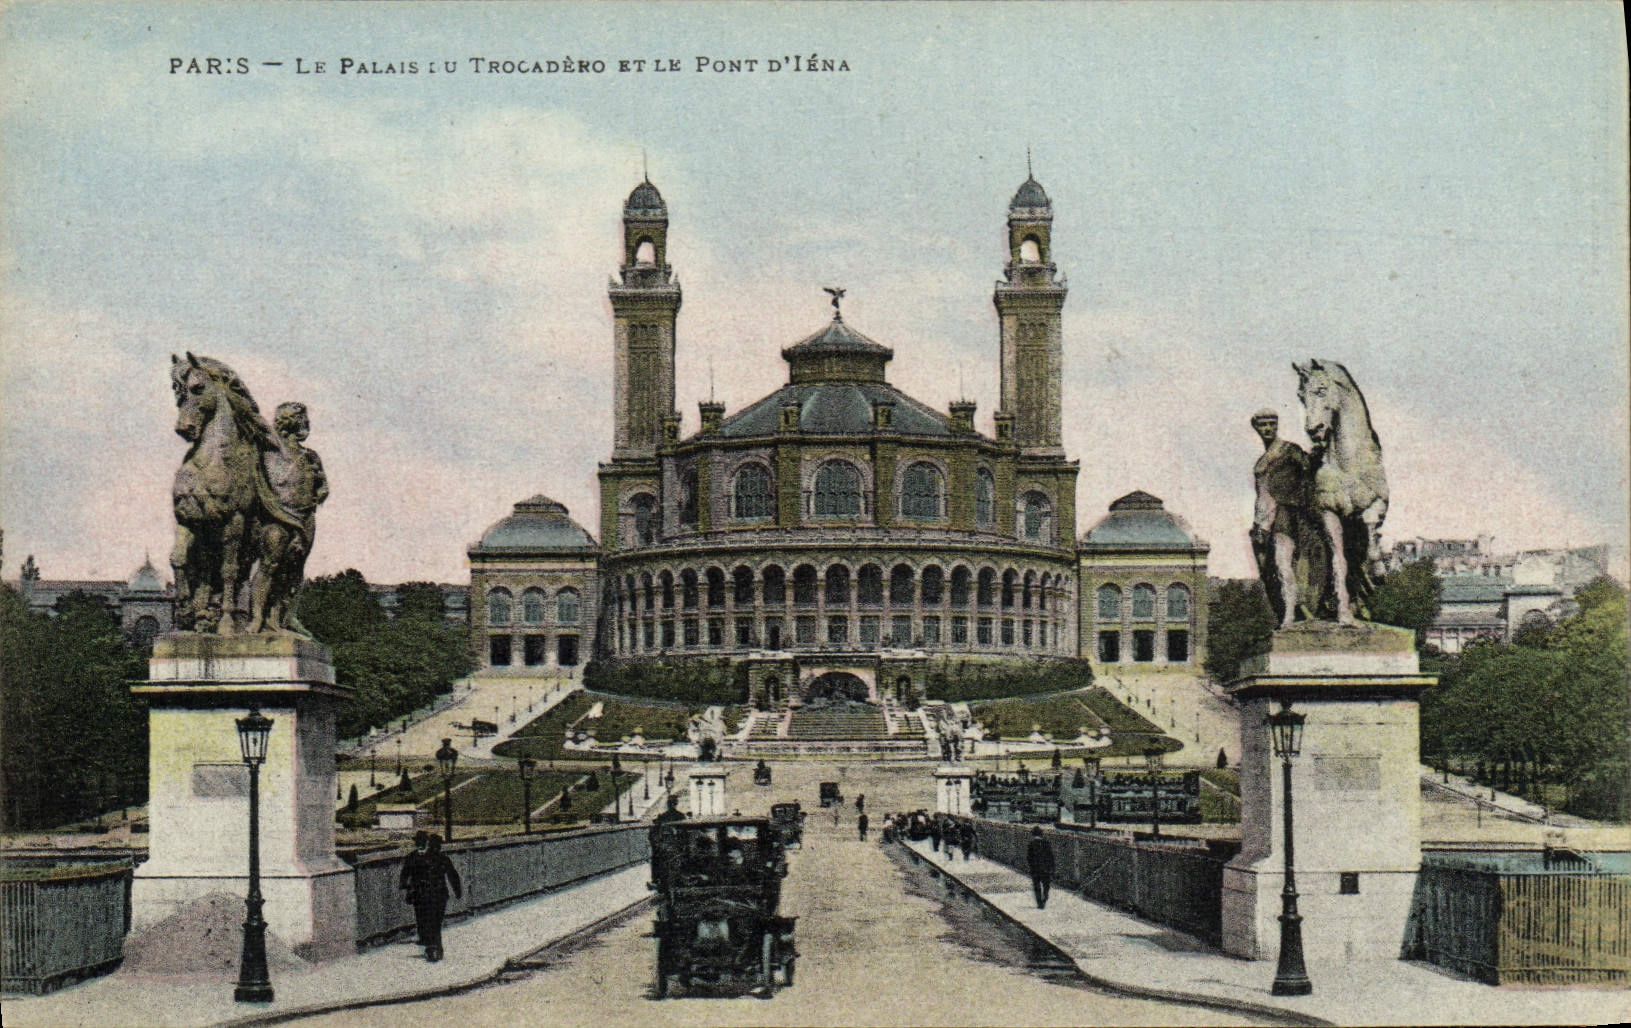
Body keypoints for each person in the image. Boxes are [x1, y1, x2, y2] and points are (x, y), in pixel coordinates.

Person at [1250, 409, 1326, 628]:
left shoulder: (1289, 450)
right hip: (1263, 521)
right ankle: (1285, 611)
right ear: (1257, 428)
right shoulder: (1261, 460)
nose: (1267, 429)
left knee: (1283, 564)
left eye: (1271, 424)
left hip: (1286, 515)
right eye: (1263, 425)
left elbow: (1310, 468)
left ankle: (1291, 615)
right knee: (1269, 571)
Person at [399, 832, 462, 962]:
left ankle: (434, 948)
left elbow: (452, 875)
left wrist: (457, 891)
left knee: (433, 922)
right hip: (424, 896)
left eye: (423, 842)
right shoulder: (414, 857)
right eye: (418, 842)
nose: (420, 844)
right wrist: (406, 887)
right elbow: (405, 874)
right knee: (427, 922)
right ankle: (433, 947)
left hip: (434, 895)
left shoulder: (435, 857)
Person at [1026, 827, 1055, 909]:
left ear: (1033, 834)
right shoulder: (1046, 843)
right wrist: (1052, 867)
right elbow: (1051, 856)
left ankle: (1040, 903)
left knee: (1037, 885)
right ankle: (1045, 896)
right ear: (1041, 834)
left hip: (1035, 868)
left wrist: (1031, 866)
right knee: (1046, 884)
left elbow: (1029, 857)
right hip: (1046, 868)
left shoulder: (1031, 844)